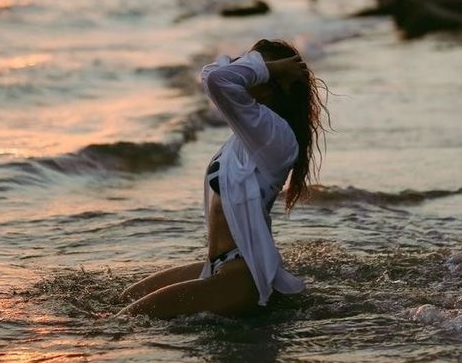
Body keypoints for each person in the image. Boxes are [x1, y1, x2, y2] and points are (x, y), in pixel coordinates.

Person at [117, 39, 328, 320]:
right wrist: (268, 67)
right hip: (219, 266)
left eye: (259, 70)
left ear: (276, 82)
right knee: (122, 299)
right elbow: (211, 74)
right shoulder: (251, 135)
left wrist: (271, 67)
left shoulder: (275, 135)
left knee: (122, 323)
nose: (249, 75)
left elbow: (218, 79)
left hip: (240, 278)